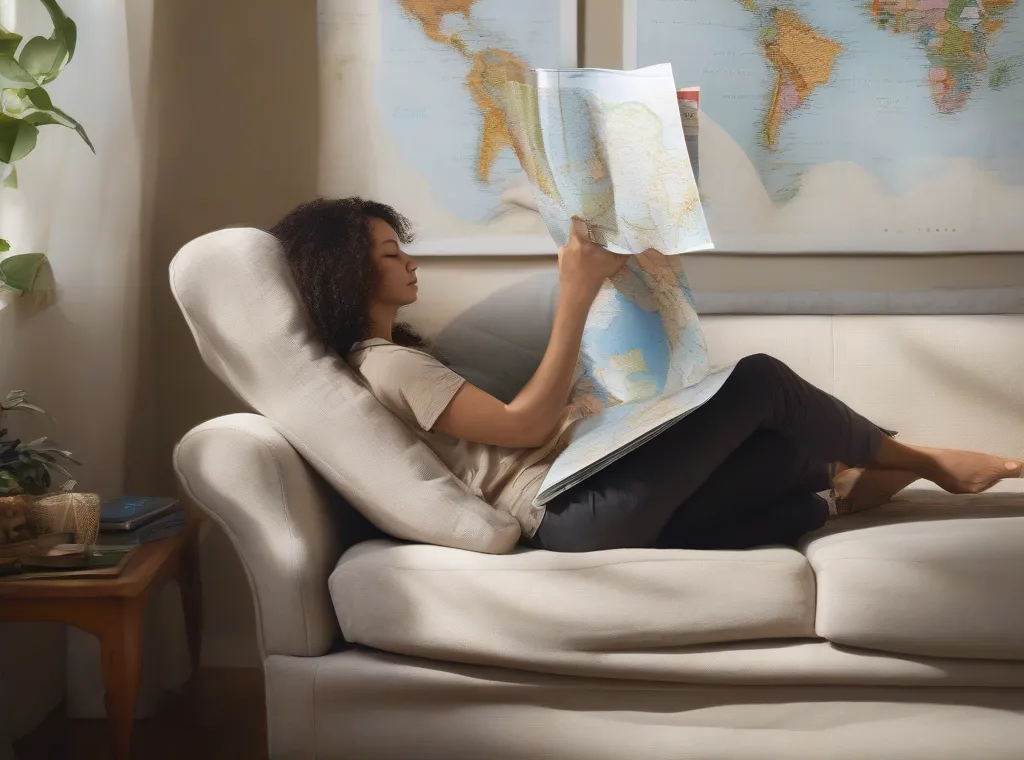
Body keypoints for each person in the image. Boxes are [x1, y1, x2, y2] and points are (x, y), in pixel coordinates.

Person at [270, 197, 1023, 552]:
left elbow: (517, 433)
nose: (409, 262)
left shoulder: (393, 362)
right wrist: (575, 291)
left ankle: (841, 491)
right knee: (760, 381)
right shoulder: (388, 364)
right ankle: (926, 460)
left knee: (778, 458)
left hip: (585, 517)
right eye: (388, 253)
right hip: (567, 511)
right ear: (346, 272)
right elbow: (526, 429)